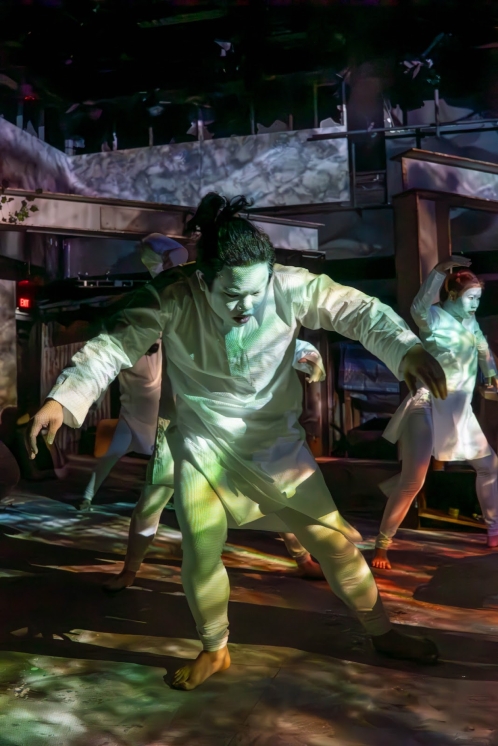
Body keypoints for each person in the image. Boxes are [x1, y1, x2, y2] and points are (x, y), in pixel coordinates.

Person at [27, 193, 446, 690]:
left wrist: (406, 349)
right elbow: (111, 346)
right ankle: (215, 647)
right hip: (202, 443)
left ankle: (382, 631)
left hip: (276, 444)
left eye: (255, 291)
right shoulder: (172, 294)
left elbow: (359, 310)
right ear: (203, 279)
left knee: (333, 545)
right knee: (201, 549)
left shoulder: (290, 286)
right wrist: (63, 398)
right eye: (231, 294)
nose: (246, 304)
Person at [372, 257, 498, 571]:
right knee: (413, 481)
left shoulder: (470, 322)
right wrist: (440, 271)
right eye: (470, 298)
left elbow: (482, 347)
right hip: (427, 404)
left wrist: (491, 372)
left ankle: (494, 530)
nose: (475, 304)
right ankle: (382, 545)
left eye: (478, 299)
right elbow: (417, 307)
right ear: (452, 295)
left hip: (459, 410)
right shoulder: (433, 318)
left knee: (489, 466)